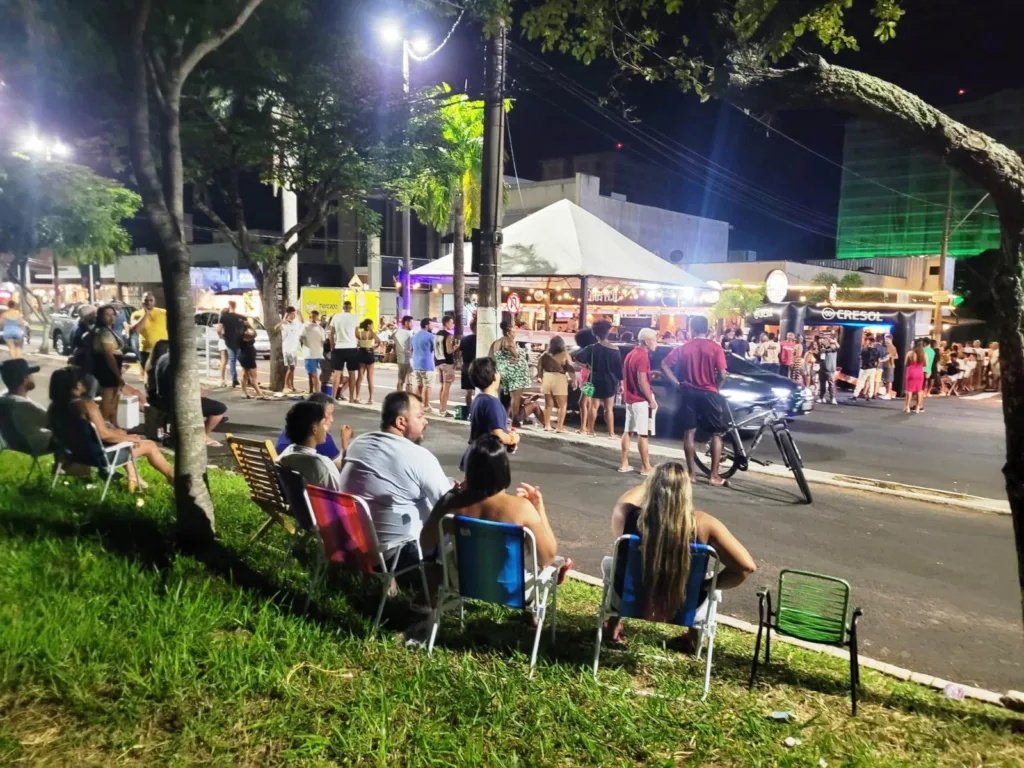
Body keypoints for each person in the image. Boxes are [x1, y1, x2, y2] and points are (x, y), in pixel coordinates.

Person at [604, 462, 756, 646]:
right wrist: (707, 585)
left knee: (616, 565)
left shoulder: (628, 516)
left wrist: (656, 481)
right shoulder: (704, 525)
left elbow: (623, 501)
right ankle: (692, 641)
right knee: (701, 577)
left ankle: (611, 630)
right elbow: (745, 567)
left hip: (629, 600)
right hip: (686, 605)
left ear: (652, 487)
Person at [421, 434, 558, 570]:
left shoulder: (452, 503)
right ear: (504, 469)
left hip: (463, 584)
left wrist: (445, 501)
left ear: (470, 470)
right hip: (507, 588)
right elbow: (548, 558)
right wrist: (538, 507)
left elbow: (426, 541)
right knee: (526, 551)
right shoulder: (521, 508)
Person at [339, 391, 451, 549]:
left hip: (353, 548)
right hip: (398, 554)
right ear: (401, 422)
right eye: (420, 416)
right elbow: (448, 506)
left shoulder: (358, 444)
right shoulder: (419, 456)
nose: (425, 421)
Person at [48, 366, 173, 492]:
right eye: (81, 380)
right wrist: (132, 438)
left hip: (75, 455)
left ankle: (134, 478)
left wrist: (122, 436)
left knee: (119, 435)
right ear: (76, 385)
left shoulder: (54, 408)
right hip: (99, 457)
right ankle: (174, 479)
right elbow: (104, 435)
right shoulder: (86, 405)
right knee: (150, 445)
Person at [660, 316, 730, 488]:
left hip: (689, 392)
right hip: (709, 392)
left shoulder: (684, 348)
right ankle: (714, 476)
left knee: (689, 433)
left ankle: (691, 474)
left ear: (691, 329)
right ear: (707, 329)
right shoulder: (715, 348)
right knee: (716, 434)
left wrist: (676, 384)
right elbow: (722, 374)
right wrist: (716, 388)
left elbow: (664, 365)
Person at [150, 340, 227, 447]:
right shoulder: (182, 361)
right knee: (219, 408)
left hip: (162, 398)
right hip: (178, 400)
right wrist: (197, 392)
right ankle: (204, 435)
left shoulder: (162, 358)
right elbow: (188, 381)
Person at [464, 357, 520, 469]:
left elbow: (488, 427)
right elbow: (498, 434)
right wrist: (513, 438)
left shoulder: (479, 399)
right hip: (488, 460)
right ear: (494, 376)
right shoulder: (492, 403)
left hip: (474, 454)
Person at [277, 400, 342, 491]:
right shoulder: (320, 464)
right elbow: (340, 493)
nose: (325, 429)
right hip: (318, 505)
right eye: (323, 423)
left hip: (295, 504)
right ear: (314, 429)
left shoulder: (283, 457)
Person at [574, 320, 624, 439]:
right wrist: (621, 383)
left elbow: (576, 358)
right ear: (608, 333)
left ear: (595, 334)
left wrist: (587, 366)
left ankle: (591, 430)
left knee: (593, 406)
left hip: (594, 378)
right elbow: (619, 369)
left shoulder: (592, 348)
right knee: (609, 409)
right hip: (610, 380)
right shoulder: (615, 349)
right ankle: (611, 433)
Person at [275, 392, 351, 469]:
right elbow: (340, 466)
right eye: (328, 414)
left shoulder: (287, 434)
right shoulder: (320, 439)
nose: (332, 419)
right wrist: (345, 443)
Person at [619, 328, 658, 475]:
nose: (656, 343)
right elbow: (642, 382)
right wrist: (650, 400)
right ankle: (646, 466)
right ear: (647, 342)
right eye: (654, 340)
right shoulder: (643, 356)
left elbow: (632, 376)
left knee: (627, 431)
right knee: (643, 434)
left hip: (629, 398)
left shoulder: (631, 354)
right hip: (640, 400)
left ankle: (624, 464)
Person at [0, 358, 51, 455]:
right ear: (25, 379)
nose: (33, 377)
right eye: (30, 374)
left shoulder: (3, 400)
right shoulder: (24, 406)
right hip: (34, 445)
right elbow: (53, 424)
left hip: (13, 444)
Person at [91, 304, 125, 426]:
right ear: (100, 317)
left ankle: (113, 425)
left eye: (113, 314)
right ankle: (104, 427)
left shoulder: (107, 330)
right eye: (107, 315)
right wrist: (118, 375)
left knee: (114, 399)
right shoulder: (104, 332)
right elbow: (108, 355)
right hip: (107, 370)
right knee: (108, 401)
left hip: (109, 369)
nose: (111, 317)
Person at [493, 321, 531, 427]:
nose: (514, 334)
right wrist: (515, 357)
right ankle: (515, 419)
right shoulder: (508, 340)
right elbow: (511, 348)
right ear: (509, 333)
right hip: (514, 372)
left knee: (507, 396)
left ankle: (503, 417)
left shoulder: (497, 342)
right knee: (515, 396)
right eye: (513, 332)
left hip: (503, 370)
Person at [538, 335, 576, 432]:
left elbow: (539, 368)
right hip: (559, 378)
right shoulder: (565, 354)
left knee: (548, 404)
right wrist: (574, 380)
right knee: (562, 405)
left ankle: (547, 425)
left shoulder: (544, 355)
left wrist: (541, 377)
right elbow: (570, 369)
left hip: (547, 377)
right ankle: (559, 427)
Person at [129, 293, 168, 383]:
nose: (148, 302)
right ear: (142, 301)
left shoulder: (162, 312)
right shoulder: (136, 314)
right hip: (145, 350)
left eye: (151, 300)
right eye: (146, 300)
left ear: (155, 301)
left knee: (161, 374)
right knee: (148, 375)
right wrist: (146, 314)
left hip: (162, 349)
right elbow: (137, 329)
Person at [329, 301, 359, 403]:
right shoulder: (354, 317)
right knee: (352, 373)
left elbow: (331, 333)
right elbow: (356, 334)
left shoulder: (336, 317)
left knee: (337, 373)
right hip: (351, 347)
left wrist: (332, 345)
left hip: (339, 347)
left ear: (343, 307)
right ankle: (351, 398)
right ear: (350, 308)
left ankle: (333, 397)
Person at [574, 327, 598, 436]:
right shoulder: (594, 348)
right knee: (586, 402)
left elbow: (577, 358)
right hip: (589, 378)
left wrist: (586, 366)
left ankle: (585, 427)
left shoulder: (589, 349)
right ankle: (586, 427)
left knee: (584, 402)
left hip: (589, 378)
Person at [217, 300, 245, 388]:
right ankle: (246, 379)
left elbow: (218, 330)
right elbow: (246, 328)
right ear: (236, 306)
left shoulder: (224, 318)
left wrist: (222, 336)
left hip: (228, 341)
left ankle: (234, 379)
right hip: (239, 341)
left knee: (231, 361)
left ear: (229, 306)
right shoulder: (241, 317)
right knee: (243, 361)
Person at [277, 306, 304, 394]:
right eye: (293, 313)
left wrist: (300, 313)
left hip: (294, 348)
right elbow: (276, 328)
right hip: (288, 349)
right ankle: (285, 385)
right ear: (289, 314)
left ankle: (291, 386)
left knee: (293, 368)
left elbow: (302, 322)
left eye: (295, 313)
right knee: (291, 367)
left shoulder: (296, 322)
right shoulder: (285, 323)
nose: (294, 315)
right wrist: (283, 319)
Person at [433, 316, 457, 416]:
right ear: (446, 323)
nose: (453, 324)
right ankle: (443, 410)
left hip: (438, 362)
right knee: (446, 387)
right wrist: (456, 347)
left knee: (442, 386)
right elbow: (449, 350)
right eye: (451, 322)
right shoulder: (448, 336)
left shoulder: (437, 334)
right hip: (447, 363)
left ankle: (441, 409)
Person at [411, 318, 436, 411]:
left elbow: (412, 349)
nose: (432, 326)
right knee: (427, 385)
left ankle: (416, 405)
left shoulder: (415, 336)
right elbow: (434, 349)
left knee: (418, 385)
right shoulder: (430, 336)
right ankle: (425, 405)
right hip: (427, 364)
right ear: (426, 325)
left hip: (416, 363)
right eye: (431, 324)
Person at [354, 318, 379, 404]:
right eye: (371, 324)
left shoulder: (359, 333)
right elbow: (379, 341)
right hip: (369, 354)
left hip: (361, 354)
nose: (372, 326)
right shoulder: (371, 333)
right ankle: (371, 398)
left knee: (360, 377)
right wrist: (374, 347)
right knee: (370, 378)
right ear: (368, 325)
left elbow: (355, 333)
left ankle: (357, 396)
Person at [849, 333, 881, 402]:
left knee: (860, 381)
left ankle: (855, 395)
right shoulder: (877, 350)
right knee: (871, 382)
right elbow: (878, 360)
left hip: (865, 367)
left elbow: (860, 357)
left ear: (869, 341)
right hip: (873, 368)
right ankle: (869, 395)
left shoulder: (865, 350)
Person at [238, 318, 264, 399]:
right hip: (248, 356)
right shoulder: (245, 334)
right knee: (253, 377)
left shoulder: (238, 334)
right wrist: (250, 326)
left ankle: (243, 392)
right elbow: (254, 334)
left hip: (243, 355)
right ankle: (259, 393)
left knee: (244, 374)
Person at [301, 310, 326, 394]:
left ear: (317, 317)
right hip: (309, 354)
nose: (313, 318)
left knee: (314, 374)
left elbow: (323, 341)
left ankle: (315, 391)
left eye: (315, 316)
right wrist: (306, 345)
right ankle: (315, 391)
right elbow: (301, 337)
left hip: (318, 354)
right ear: (309, 317)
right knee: (312, 374)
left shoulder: (320, 328)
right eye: (311, 316)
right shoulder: (305, 327)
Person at [458, 319, 478, 409]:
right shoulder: (480, 340)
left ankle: (469, 408)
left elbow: (459, 353)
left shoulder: (464, 339)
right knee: (480, 390)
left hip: (466, 366)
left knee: (468, 392)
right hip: (477, 366)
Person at [903, 340, 926, 414]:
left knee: (909, 391)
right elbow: (925, 364)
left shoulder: (910, 353)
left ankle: (907, 407)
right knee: (919, 390)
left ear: (915, 345)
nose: (911, 344)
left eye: (912, 343)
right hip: (920, 373)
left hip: (911, 372)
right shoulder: (923, 354)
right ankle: (918, 408)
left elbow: (906, 363)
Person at [393, 315, 414, 393]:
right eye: (411, 322)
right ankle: (404, 399)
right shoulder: (408, 334)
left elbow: (394, 345)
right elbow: (411, 347)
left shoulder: (397, 332)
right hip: (406, 359)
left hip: (402, 359)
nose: (413, 325)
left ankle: (401, 398)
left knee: (403, 381)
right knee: (407, 381)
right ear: (406, 323)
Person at [817, 333, 839, 404]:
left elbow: (838, 347)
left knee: (831, 384)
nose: (821, 340)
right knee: (822, 383)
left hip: (830, 368)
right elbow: (819, 357)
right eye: (821, 339)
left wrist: (835, 342)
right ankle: (821, 397)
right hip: (822, 367)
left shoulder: (833, 347)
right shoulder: (821, 348)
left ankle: (833, 398)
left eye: (824, 339)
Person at [880, 334, 898, 398]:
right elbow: (896, 356)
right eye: (885, 339)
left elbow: (895, 356)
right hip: (886, 365)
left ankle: (888, 394)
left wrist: (889, 356)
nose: (885, 340)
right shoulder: (886, 346)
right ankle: (887, 393)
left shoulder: (891, 347)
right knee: (886, 380)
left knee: (889, 380)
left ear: (890, 339)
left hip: (889, 365)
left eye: (887, 339)